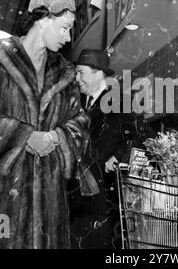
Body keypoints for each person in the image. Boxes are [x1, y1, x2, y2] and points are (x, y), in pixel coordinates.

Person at [0, 0, 89, 249]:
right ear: (43, 20)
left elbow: (80, 121)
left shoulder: (64, 74)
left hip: (48, 200)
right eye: (64, 28)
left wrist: (56, 137)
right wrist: (24, 137)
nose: (68, 37)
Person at [69, 49, 154, 249]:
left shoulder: (121, 102)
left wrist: (119, 157)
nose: (77, 78)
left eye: (81, 72)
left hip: (107, 200)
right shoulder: (73, 106)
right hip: (77, 200)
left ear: (99, 73)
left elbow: (146, 138)